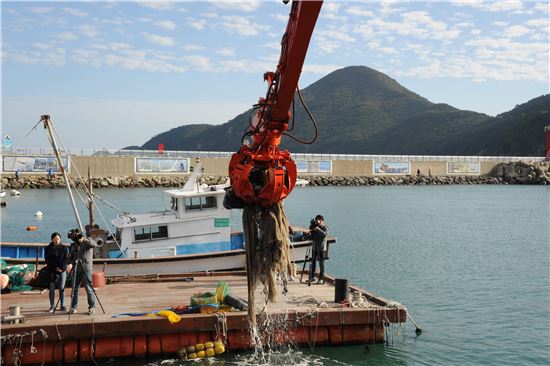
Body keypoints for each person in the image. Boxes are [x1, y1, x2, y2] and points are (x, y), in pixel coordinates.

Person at [69, 232, 98, 315]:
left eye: (79, 235)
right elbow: (72, 256)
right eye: (76, 236)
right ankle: (73, 307)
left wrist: (83, 239)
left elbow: (94, 244)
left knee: (89, 289)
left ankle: (92, 307)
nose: (78, 237)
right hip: (76, 269)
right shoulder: (75, 245)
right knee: (75, 289)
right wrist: (70, 263)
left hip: (86, 269)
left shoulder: (88, 240)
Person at [45, 232, 69, 313]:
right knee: (51, 288)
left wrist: (62, 268)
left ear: (60, 239)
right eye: (55, 239)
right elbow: (47, 260)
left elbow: (66, 259)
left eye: (58, 239)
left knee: (62, 288)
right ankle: (52, 306)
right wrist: (55, 267)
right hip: (52, 270)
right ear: (52, 240)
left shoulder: (64, 248)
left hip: (62, 270)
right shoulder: (48, 248)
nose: (57, 240)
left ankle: (62, 305)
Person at [308, 214, 328, 285]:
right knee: (313, 262)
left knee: (321, 264)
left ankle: (321, 278)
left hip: (321, 249)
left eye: (319, 220)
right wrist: (311, 231)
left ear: (322, 221)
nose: (318, 222)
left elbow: (325, 235)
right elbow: (312, 237)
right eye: (317, 220)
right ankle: (312, 277)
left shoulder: (324, 227)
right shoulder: (315, 227)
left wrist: (318, 229)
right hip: (314, 248)